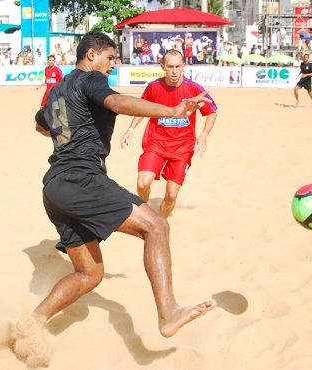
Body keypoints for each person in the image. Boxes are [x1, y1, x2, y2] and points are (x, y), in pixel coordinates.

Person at [25, 31, 215, 366]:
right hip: (82, 178)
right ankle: (168, 312)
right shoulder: (91, 78)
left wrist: (71, 128)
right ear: (92, 54)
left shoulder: (57, 90)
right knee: (156, 226)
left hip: (54, 187)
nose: (114, 64)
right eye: (111, 57)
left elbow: (41, 126)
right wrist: (170, 109)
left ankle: (29, 325)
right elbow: (116, 102)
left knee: (90, 274)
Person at [120, 49, 217, 219]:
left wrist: (204, 134)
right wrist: (131, 129)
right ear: (162, 66)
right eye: (170, 66)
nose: (174, 71)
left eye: (178, 66)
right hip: (156, 142)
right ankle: (147, 214)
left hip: (182, 147)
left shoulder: (194, 89)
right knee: (142, 183)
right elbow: (142, 109)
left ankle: (160, 222)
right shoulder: (154, 87)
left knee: (171, 195)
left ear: (183, 66)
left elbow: (211, 112)